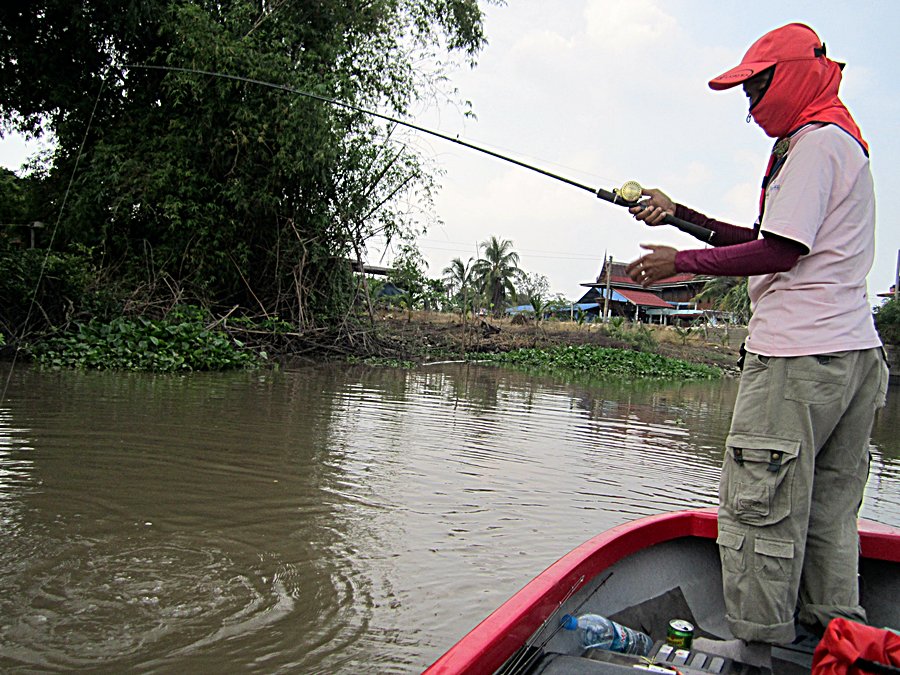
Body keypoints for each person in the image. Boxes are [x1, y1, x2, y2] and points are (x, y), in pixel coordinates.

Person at [624, 22, 890, 658]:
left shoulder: (815, 144)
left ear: (794, 74)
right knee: (829, 512)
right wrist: (679, 212)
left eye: (757, 87)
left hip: (797, 357)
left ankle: (757, 652)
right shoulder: (841, 140)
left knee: (757, 511)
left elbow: (779, 249)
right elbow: (764, 235)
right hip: (851, 354)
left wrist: (680, 262)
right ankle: (838, 641)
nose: (750, 105)